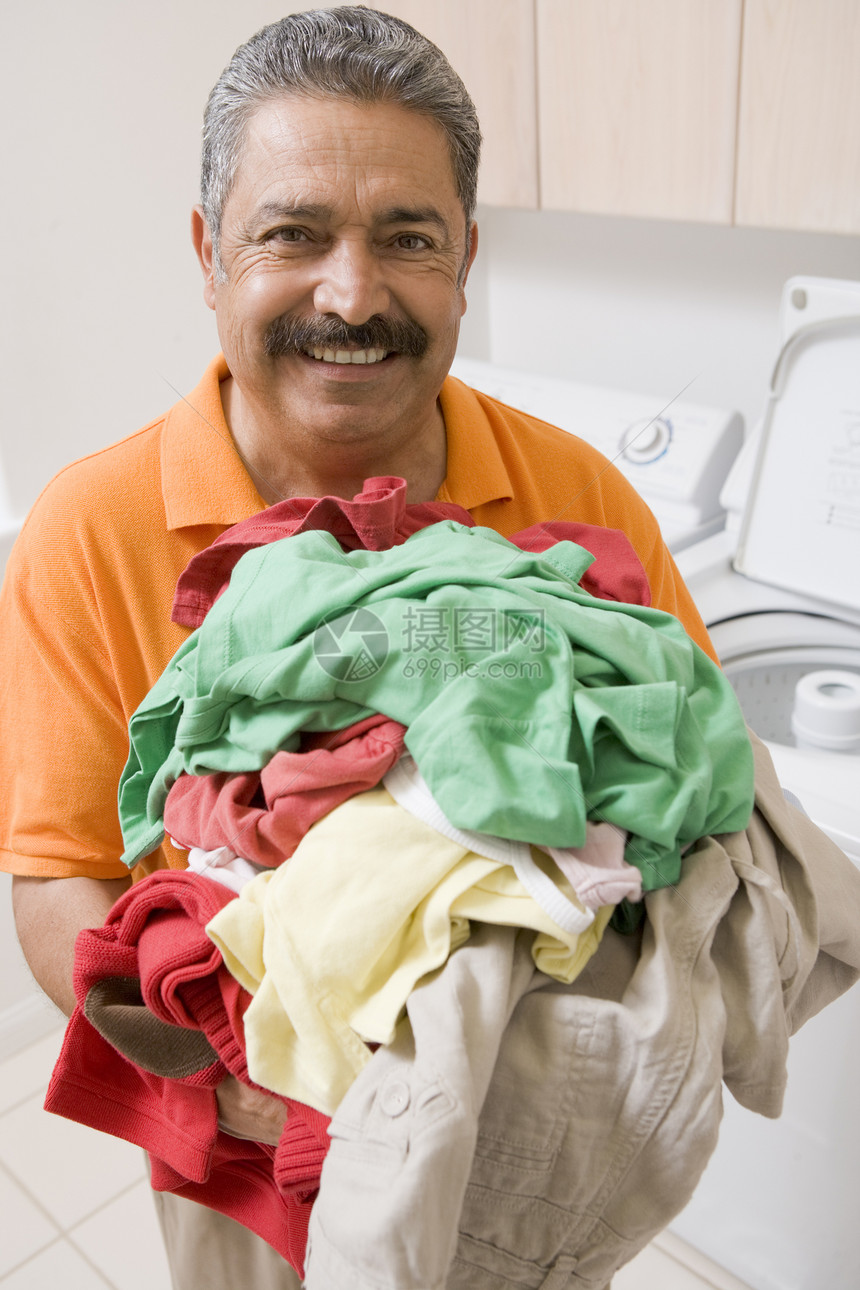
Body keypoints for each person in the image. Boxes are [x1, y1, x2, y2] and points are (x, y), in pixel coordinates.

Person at [1, 8, 749, 1289]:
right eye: (292, 234)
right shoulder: (92, 527)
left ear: (464, 256)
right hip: (243, 1161)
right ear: (206, 252)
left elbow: (687, 787)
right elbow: (57, 878)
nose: (352, 294)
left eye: (406, 238)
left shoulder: (577, 500)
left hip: (526, 1142)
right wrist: (257, 1074)